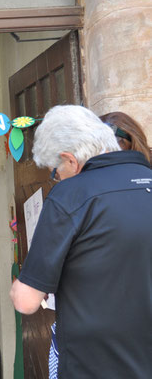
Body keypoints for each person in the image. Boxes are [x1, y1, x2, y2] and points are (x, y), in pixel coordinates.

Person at [10, 105, 152, 378]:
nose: (57, 178)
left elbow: (26, 301)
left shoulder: (70, 195)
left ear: (70, 160)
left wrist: (18, 287)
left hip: (93, 363)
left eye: (55, 171)